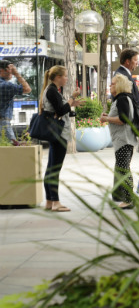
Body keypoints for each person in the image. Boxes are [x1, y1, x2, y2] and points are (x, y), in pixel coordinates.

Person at [40, 65, 83, 212]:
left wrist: (71, 103)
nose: (66, 78)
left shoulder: (52, 90)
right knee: (55, 168)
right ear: (57, 77)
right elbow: (60, 110)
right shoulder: (52, 90)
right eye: (65, 76)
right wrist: (72, 98)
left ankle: (49, 201)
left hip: (55, 133)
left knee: (51, 167)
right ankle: (56, 202)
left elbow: (60, 108)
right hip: (58, 133)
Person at [100, 74, 137, 209]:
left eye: (113, 83)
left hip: (124, 140)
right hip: (123, 140)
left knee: (123, 170)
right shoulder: (122, 99)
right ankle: (127, 198)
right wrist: (108, 116)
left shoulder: (122, 99)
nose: (110, 86)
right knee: (123, 169)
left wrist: (106, 119)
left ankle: (128, 200)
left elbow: (123, 119)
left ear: (120, 85)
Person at [0, 59, 31, 142]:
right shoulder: (6, 85)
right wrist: (16, 74)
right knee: (12, 148)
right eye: (10, 69)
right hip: (3, 123)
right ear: (1, 70)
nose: (12, 72)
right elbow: (27, 89)